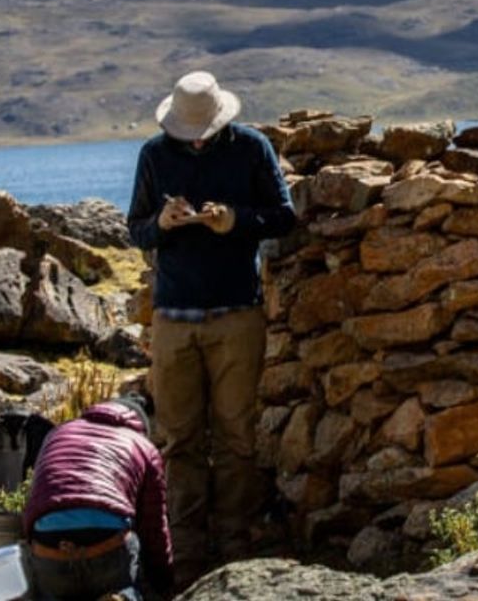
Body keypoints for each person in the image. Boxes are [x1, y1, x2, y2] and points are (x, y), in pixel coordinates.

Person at [125, 70, 296, 587]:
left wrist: (235, 221)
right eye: (187, 132)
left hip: (236, 313)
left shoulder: (251, 148)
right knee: (178, 440)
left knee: (236, 436)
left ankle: (236, 552)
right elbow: (136, 229)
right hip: (175, 316)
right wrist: (163, 225)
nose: (195, 140)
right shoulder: (155, 155)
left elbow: (284, 217)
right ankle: (187, 559)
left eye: (202, 130)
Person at [20, 396, 173, 601]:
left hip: (49, 546)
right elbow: (153, 528)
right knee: (132, 572)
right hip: (106, 542)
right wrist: (164, 582)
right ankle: (123, 595)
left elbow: (39, 495)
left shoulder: (57, 434)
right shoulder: (143, 447)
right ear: (140, 425)